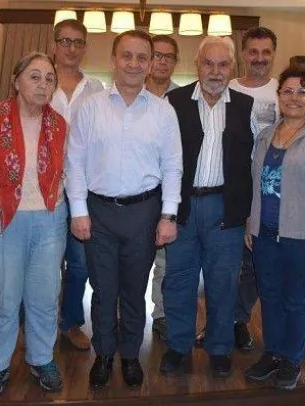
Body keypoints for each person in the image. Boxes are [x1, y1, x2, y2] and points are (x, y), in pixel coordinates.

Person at [65, 30, 183, 389]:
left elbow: (172, 167)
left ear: (151, 63)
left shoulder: (163, 112)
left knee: (134, 290)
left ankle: (130, 355)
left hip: (144, 213)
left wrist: (168, 215)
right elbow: (74, 162)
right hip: (98, 213)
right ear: (113, 60)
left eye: (142, 57)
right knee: (103, 290)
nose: (134, 64)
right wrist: (78, 211)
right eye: (126, 56)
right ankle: (104, 354)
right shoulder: (91, 107)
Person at [0, 52, 68, 398]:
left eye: (49, 79)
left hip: (49, 219)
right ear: (16, 81)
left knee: (44, 296)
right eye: (34, 76)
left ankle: (42, 359)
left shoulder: (60, 125)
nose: (43, 85)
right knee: (2, 298)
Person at [160, 36, 258, 378]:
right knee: (178, 280)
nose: (215, 71)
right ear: (197, 65)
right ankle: (178, 346)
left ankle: (219, 347)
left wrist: (250, 215)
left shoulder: (246, 107)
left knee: (223, 282)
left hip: (225, 209)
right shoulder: (174, 102)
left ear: (232, 67)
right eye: (208, 63)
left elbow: (255, 163)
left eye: (222, 64)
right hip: (183, 207)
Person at [243, 68, 305, 390]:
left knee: (296, 300)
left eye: (303, 92)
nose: (294, 98)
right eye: (287, 91)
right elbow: (255, 183)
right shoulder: (265, 135)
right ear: (279, 96)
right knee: (269, 297)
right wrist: (250, 223)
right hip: (264, 234)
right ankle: (272, 353)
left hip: (301, 236)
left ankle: (291, 359)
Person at [196, 26, 281, 351]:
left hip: (269, 192)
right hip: (230, 191)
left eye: (266, 52)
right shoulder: (224, 87)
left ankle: (238, 321)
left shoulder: (282, 92)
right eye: (253, 52)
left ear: (273, 55)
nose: (259, 58)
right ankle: (217, 324)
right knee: (224, 266)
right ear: (242, 56)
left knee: (254, 267)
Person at [51, 18, 105, 352]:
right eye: (65, 41)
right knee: (44, 264)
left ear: (85, 47)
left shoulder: (97, 89)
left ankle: (69, 322)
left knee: (80, 263)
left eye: (78, 42)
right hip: (42, 190)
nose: (71, 48)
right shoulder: (40, 81)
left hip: (81, 191)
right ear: (54, 44)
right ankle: (38, 325)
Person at [145, 34, 180, 342]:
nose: (162, 61)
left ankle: (162, 314)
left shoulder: (184, 99)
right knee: (131, 259)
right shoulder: (129, 93)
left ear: (175, 62)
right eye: (157, 55)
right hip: (134, 193)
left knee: (166, 261)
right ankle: (123, 314)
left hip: (168, 191)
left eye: (168, 56)